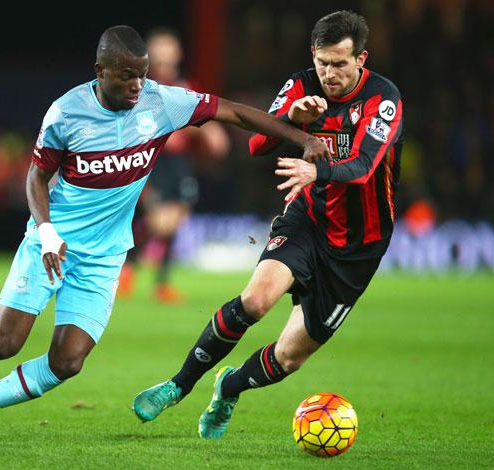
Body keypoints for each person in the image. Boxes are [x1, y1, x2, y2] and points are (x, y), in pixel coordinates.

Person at [0, 25, 329, 442]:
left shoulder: (162, 102)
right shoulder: (67, 113)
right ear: (100, 71)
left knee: (67, 362)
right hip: (52, 245)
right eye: (126, 75)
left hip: (104, 256)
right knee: (3, 345)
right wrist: (46, 231)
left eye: (142, 74)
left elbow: (233, 111)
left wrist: (302, 137)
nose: (138, 84)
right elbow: (36, 177)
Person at [132, 10, 404, 439]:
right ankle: (177, 386)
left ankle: (230, 386)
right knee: (255, 302)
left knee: (290, 357)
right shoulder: (301, 85)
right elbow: (258, 143)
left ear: (361, 60)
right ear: (312, 55)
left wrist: (320, 172)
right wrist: (293, 119)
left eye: (339, 64)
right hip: (308, 220)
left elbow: (366, 167)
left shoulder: (382, 98)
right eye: (322, 63)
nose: (329, 74)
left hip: (359, 246)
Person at [119, 28, 230, 303]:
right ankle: (127, 267)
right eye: (160, 52)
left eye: (169, 51)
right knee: (160, 221)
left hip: (180, 164)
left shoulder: (184, 87)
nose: (165, 58)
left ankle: (160, 283)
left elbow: (199, 116)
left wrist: (210, 133)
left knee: (175, 221)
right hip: (152, 162)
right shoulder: (141, 90)